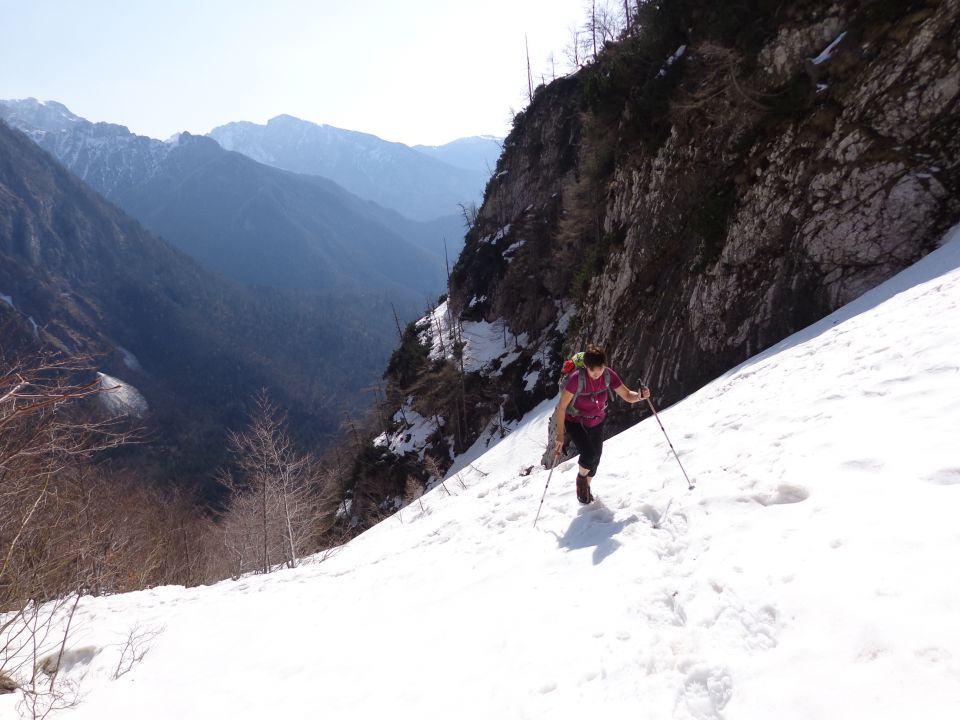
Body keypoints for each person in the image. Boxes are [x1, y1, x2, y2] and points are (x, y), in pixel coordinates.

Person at [554, 344, 650, 504]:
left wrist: (640, 395)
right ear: (586, 367)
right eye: (593, 370)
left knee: (596, 459)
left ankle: (586, 488)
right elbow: (562, 407)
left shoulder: (608, 375)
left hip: (596, 419)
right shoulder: (576, 379)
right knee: (589, 455)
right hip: (575, 421)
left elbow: (627, 395)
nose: (597, 374)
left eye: (600, 369)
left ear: (604, 365)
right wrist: (560, 435)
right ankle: (581, 480)